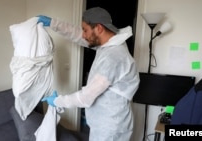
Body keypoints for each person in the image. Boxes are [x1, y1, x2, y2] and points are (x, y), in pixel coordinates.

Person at [39, 7, 140, 141]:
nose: (83, 35)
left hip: (110, 129)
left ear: (99, 28)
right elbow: (78, 36)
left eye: (85, 30)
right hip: (107, 122)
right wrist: (53, 23)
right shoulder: (109, 43)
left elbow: (86, 97)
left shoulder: (113, 57)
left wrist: (58, 101)